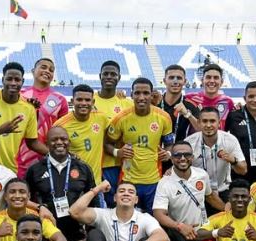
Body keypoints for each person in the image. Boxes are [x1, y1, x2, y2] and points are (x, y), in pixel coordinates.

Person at [26, 126, 99, 241]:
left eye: (63, 139)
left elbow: (94, 203)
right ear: (47, 143)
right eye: (54, 140)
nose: (59, 142)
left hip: (75, 236)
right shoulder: (35, 169)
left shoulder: (83, 168)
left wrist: (90, 230)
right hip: (46, 237)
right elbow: (27, 201)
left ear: (69, 142)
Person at [152, 141, 226, 241]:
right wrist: (180, 226)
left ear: (192, 157)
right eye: (178, 155)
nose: (182, 158)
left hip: (199, 231)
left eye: (186, 154)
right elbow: (159, 214)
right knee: (159, 233)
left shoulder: (201, 175)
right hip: (176, 229)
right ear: (172, 158)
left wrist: (227, 208)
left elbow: (210, 197)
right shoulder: (165, 182)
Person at [106, 77, 174, 213]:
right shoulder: (121, 118)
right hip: (128, 179)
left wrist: (168, 154)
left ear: (151, 94)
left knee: (152, 220)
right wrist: (117, 152)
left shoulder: (164, 117)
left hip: (154, 180)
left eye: (145, 93)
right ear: (132, 95)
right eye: (137, 93)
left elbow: (169, 144)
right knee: (128, 218)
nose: (141, 97)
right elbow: (107, 143)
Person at [0, 62, 48, 174]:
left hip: (10, 170)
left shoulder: (29, 107)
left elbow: (32, 142)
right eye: (9, 79)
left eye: (17, 80)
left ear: (22, 82)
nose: (13, 83)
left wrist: (54, 154)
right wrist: (0, 131)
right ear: (3, 80)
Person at [184, 107, 247, 212]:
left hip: (223, 189)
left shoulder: (230, 140)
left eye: (212, 121)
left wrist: (233, 160)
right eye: (204, 121)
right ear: (199, 123)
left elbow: (243, 170)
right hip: (198, 190)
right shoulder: (190, 143)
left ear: (219, 123)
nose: (208, 125)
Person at [16, 58, 69, 179]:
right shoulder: (20, 95)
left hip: (47, 157)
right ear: (33, 71)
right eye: (43, 67)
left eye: (51, 70)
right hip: (19, 156)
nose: (47, 71)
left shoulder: (60, 99)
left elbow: (63, 131)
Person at [94, 61, 134, 204]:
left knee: (119, 203)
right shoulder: (90, 100)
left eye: (113, 74)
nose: (109, 77)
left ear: (119, 77)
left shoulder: (127, 103)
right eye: (106, 74)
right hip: (96, 164)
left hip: (120, 165)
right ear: (100, 76)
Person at [53, 85, 110, 183]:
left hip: (95, 183)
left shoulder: (102, 118)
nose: (83, 103)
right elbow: (50, 150)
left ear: (93, 102)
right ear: (72, 101)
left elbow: (115, 132)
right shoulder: (60, 125)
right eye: (79, 99)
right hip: (71, 184)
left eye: (87, 100)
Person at [226, 81, 256, 184]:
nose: (255, 100)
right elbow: (222, 135)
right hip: (239, 172)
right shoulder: (234, 115)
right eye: (251, 96)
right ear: (245, 98)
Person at [185, 63, 236, 128]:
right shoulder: (190, 98)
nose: (212, 81)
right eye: (208, 77)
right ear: (202, 80)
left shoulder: (228, 102)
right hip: (194, 138)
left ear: (222, 82)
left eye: (216, 78)